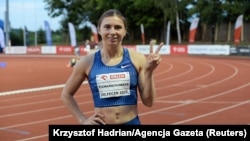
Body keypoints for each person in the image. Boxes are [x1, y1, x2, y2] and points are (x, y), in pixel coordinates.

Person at [61, 9, 164, 125]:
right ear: (99, 30)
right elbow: (66, 94)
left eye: (118, 27)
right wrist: (82, 119)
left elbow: (149, 102)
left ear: (125, 31)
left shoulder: (138, 59)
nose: (112, 32)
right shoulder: (87, 62)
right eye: (107, 27)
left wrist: (149, 72)